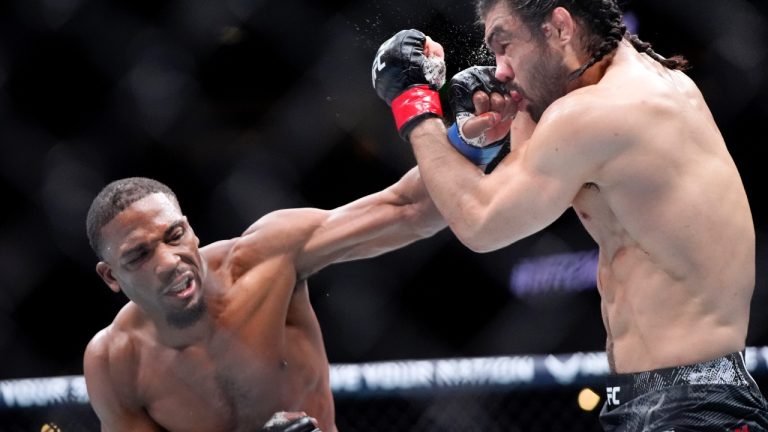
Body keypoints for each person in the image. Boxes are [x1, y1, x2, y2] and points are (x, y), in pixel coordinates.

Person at [371, 0, 768, 430]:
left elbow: (481, 223)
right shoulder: (651, 85)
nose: (500, 69)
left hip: (686, 409)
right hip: (678, 397)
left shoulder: (596, 112)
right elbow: (522, 182)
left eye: (505, 44)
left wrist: (415, 105)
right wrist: (518, 106)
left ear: (559, 27)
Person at [83, 172, 445, 432]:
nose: (168, 262)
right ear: (111, 276)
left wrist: (469, 134)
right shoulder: (115, 359)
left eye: (174, 235)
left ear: (190, 230)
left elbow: (410, 209)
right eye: (139, 255)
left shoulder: (267, 259)